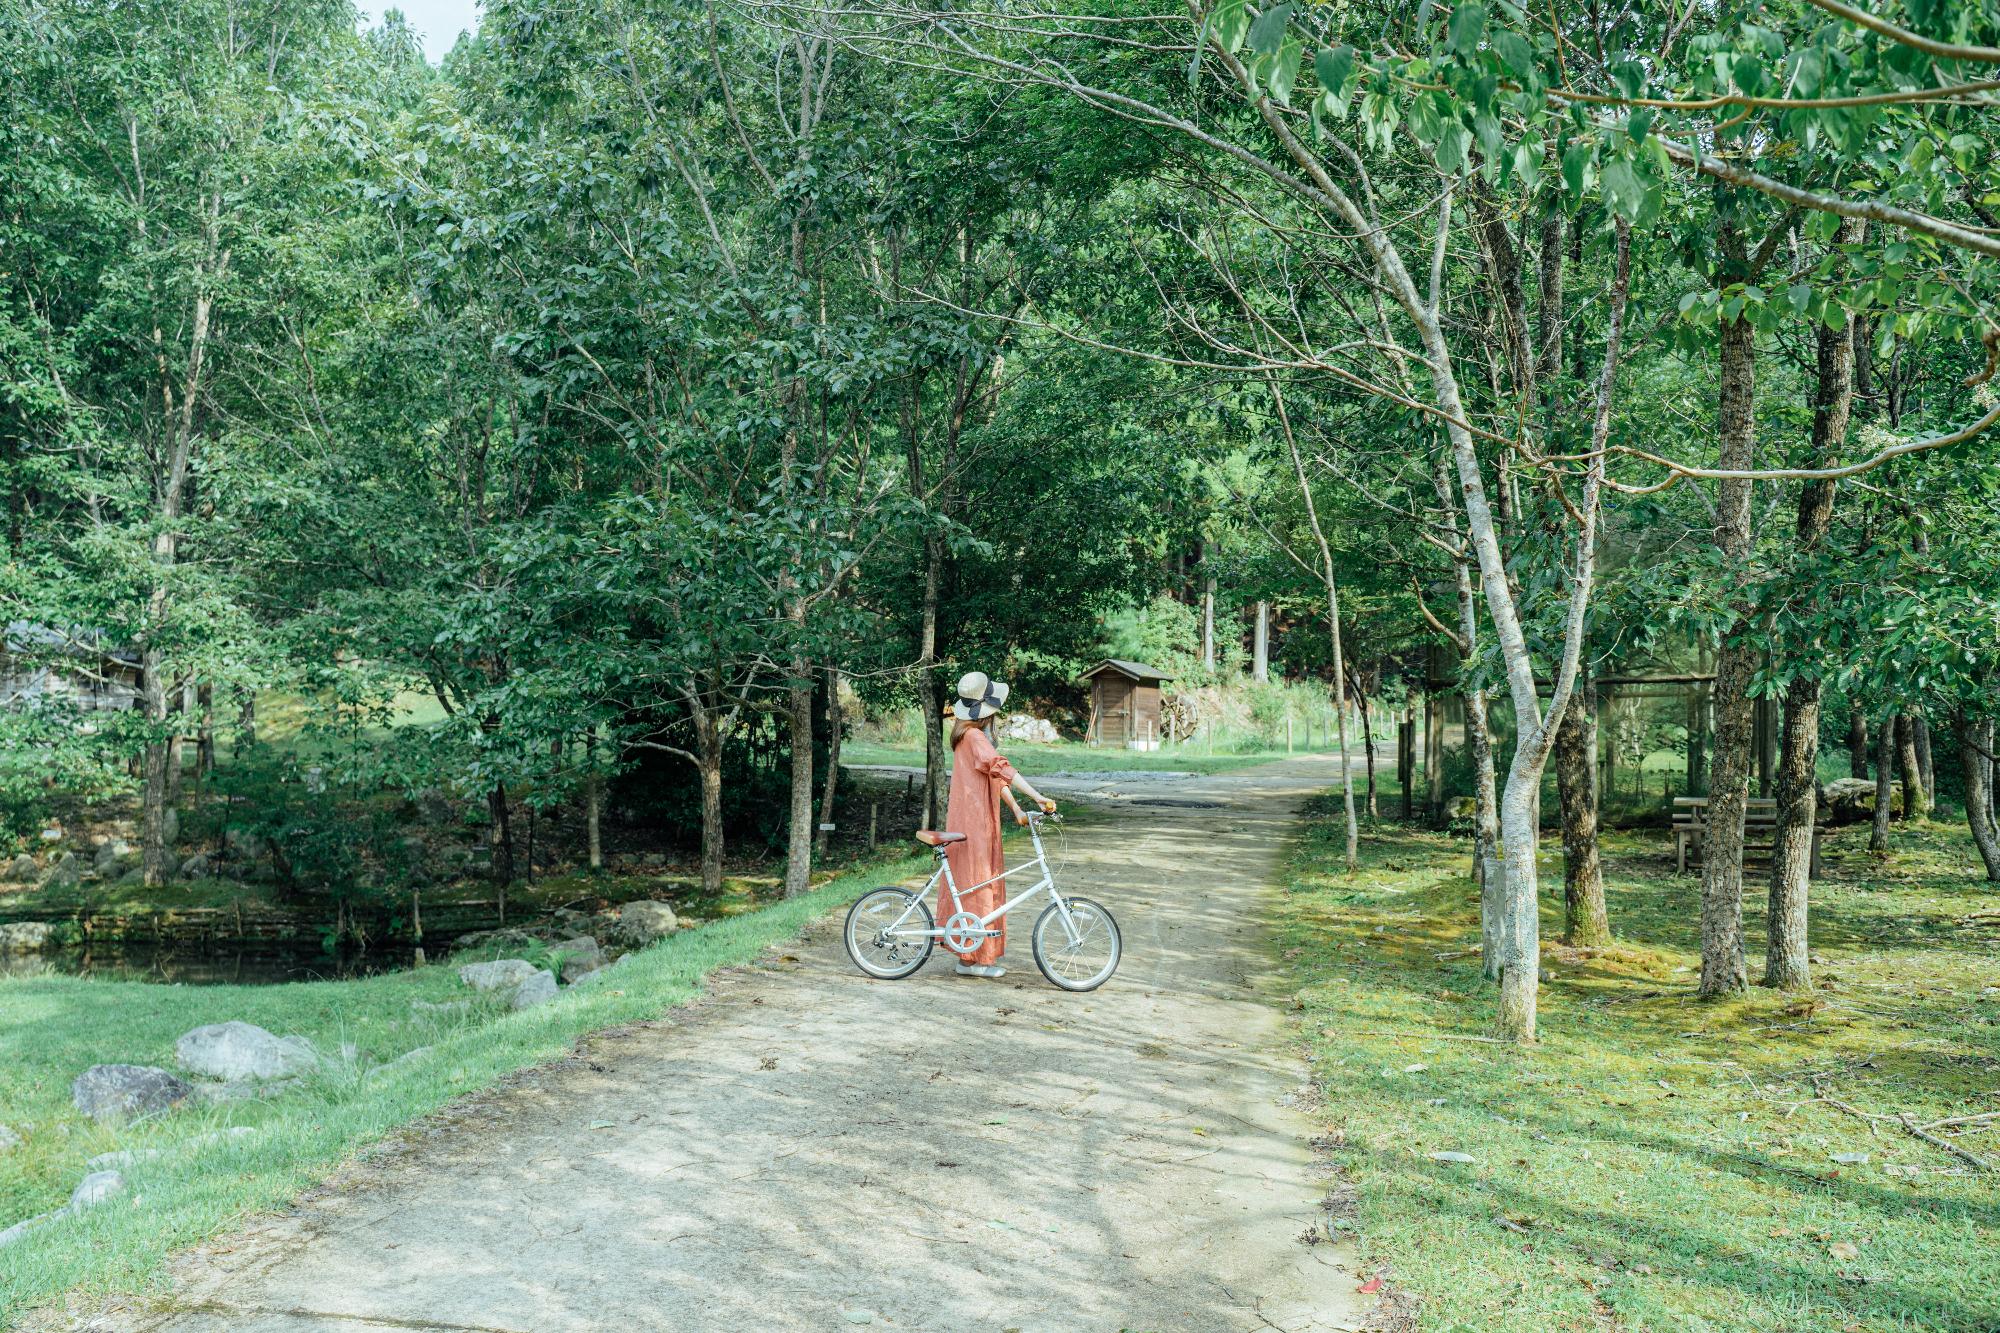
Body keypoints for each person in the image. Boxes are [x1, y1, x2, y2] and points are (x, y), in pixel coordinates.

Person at [943, 671, 1056, 979]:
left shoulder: (964, 736)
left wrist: (1017, 808)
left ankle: (967, 957)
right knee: (981, 883)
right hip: (976, 823)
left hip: (967, 821)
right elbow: (1001, 769)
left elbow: (992, 777)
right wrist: (1037, 796)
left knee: (968, 884)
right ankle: (981, 960)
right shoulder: (976, 738)